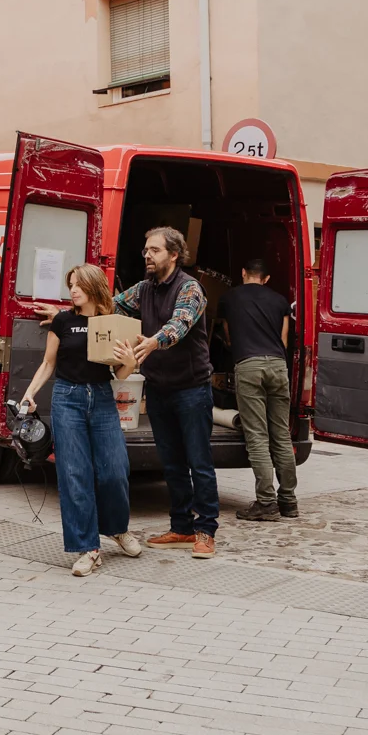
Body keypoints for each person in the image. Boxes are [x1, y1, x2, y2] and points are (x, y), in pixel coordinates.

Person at [22, 264, 143, 577]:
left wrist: (130, 363)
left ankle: (117, 528)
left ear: (93, 286)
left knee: (115, 470)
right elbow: (48, 363)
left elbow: (120, 373)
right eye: (71, 285)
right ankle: (88, 548)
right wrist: (30, 393)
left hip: (101, 396)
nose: (73, 290)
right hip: (67, 398)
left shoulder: (110, 321)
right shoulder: (63, 321)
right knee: (74, 473)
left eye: (78, 285)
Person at [116, 227, 219, 559]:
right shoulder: (144, 288)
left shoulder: (190, 288)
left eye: (155, 250)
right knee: (172, 463)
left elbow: (181, 323)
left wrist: (153, 341)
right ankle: (181, 528)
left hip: (192, 389)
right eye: (146, 250)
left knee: (198, 461)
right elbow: (112, 305)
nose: (147, 255)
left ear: (174, 255)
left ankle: (206, 531)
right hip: (159, 388)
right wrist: (70, 316)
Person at [219, 256, 298, 521]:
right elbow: (283, 341)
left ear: (243, 272)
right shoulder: (280, 301)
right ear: (266, 279)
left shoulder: (229, 298)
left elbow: (227, 336)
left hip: (249, 365)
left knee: (257, 436)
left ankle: (266, 502)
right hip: (278, 366)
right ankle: (288, 501)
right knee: (281, 435)